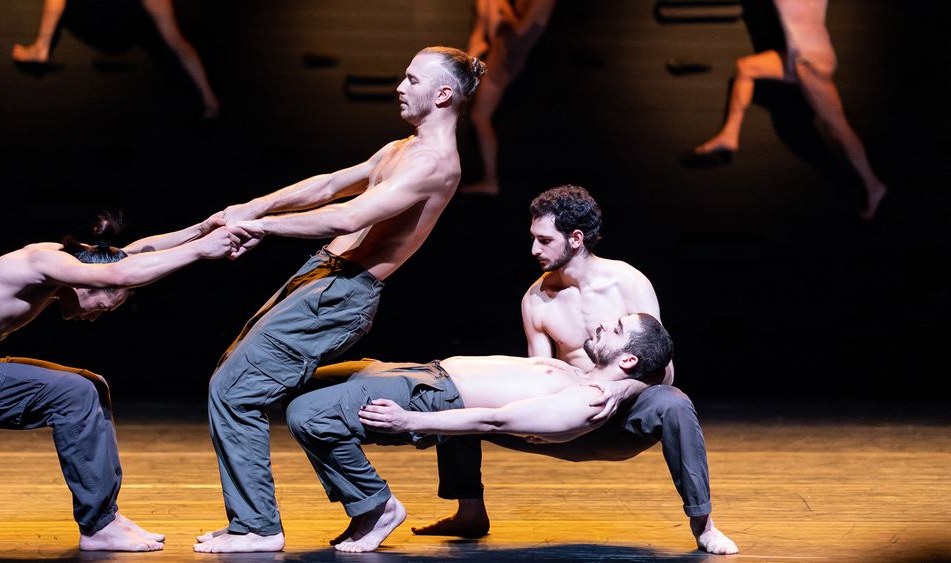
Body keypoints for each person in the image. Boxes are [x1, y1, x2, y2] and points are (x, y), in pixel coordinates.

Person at [191, 46, 487, 553]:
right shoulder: (401, 148)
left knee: (235, 390)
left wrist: (260, 226)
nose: (400, 85)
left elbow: (349, 217)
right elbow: (329, 185)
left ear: (442, 94)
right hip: (320, 277)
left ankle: (258, 527)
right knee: (254, 389)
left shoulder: (436, 164)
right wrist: (253, 204)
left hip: (341, 292)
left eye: (412, 79)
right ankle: (368, 504)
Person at [417, 185, 739, 554]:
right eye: (533, 239)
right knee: (459, 394)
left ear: (575, 238)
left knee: (674, 402)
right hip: (566, 421)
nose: (534, 250)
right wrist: (540, 416)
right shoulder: (536, 300)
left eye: (544, 240)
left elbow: (662, 368)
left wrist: (621, 389)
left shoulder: (628, 282)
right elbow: (534, 373)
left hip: (621, 419)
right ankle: (470, 512)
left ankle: (704, 525)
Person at [0, 214, 236, 551]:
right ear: (87, 283)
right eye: (101, 307)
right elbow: (121, 271)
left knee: (92, 385)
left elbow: (129, 256)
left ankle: (107, 517)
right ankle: (97, 527)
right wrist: (201, 251)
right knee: (74, 393)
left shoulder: (71, 261)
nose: (93, 317)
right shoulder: (39, 262)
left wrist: (201, 230)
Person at [285, 313, 673, 553]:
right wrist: (631, 385)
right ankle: (437, 513)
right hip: (422, 371)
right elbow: (654, 374)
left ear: (628, 359)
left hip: (430, 395)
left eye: (618, 328)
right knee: (294, 378)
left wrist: (411, 421)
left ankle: (376, 506)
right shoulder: (583, 374)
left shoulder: (585, 403)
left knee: (307, 414)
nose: (605, 324)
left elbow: (492, 421)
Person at [691, 0, 887, 220]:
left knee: (838, 129)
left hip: (809, 61)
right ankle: (729, 135)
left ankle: (873, 185)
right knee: (746, 68)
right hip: (799, 57)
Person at [12, 0, 221, 118]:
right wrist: (208, 98)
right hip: (124, 31)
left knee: (171, 39)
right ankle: (41, 47)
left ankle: (41, 47)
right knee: (172, 39)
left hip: (107, 28)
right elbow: (178, 44)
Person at [459, 0, 557, 196]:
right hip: (501, 48)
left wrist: (503, 8)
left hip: (506, 58)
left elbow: (521, 30)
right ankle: (472, 57)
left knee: (480, 117)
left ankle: (490, 180)